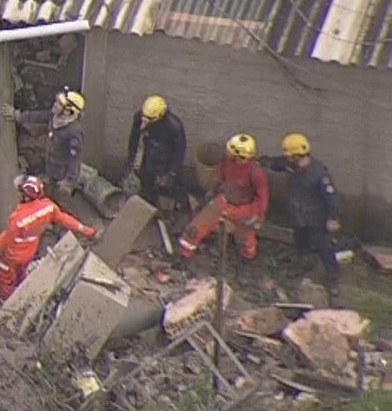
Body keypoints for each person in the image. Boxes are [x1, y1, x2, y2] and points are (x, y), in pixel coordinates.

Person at [260, 133, 341, 305]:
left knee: (324, 247)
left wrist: (332, 218)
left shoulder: (319, 173)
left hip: (316, 219)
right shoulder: (291, 165)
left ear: (299, 155)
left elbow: (331, 198)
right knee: (300, 241)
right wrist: (262, 161)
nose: (288, 160)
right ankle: (302, 262)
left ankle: (333, 278)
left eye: (290, 157)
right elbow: (277, 163)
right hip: (298, 216)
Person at [0, 175, 96, 300]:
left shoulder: (17, 220)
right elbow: (65, 219)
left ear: (25, 196)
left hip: (12, 257)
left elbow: (5, 241)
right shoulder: (48, 208)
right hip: (29, 252)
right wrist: (86, 230)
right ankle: (22, 287)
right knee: (22, 271)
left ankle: (7, 300)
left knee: (5, 277)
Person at [178, 134, 269, 262]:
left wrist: (258, 215)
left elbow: (262, 196)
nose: (229, 155)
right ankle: (184, 253)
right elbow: (220, 175)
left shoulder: (256, 173)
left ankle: (247, 258)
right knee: (196, 227)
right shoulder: (228, 162)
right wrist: (213, 191)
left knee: (246, 237)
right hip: (224, 201)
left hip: (244, 209)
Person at [13, 89, 86, 193]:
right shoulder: (55, 117)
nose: (55, 105)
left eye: (59, 104)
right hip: (49, 165)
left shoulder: (74, 132)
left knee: (57, 199)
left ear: (68, 111)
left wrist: (69, 181)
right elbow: (40, 116)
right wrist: (19, 115)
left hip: (60, 174)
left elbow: (75, 158)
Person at [122, 94, 188, 208]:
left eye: (149, 119)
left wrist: (172, 173)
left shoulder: (174, 127)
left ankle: (170, 208)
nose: (145, 121)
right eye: (144, 117)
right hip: (149, 155)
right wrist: (131, 161)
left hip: (166, 158)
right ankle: (147, 203)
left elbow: (179, 152)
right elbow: (134, 140)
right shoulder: (140, 117)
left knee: (166, 188)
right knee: (147, 182)